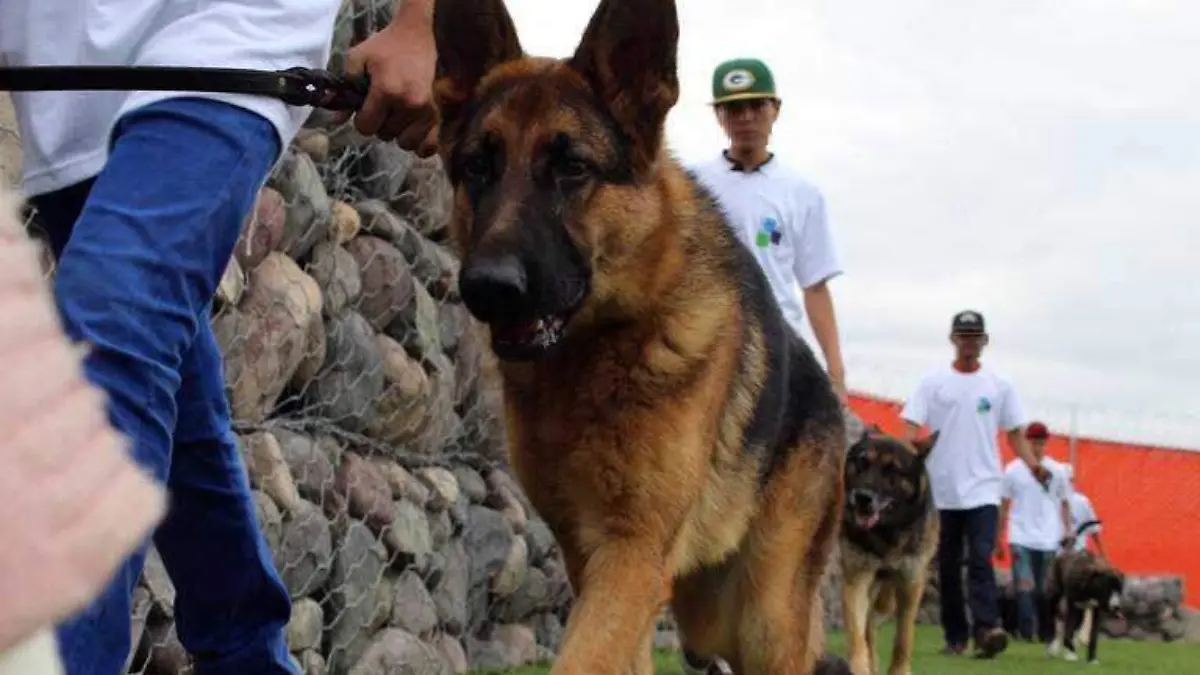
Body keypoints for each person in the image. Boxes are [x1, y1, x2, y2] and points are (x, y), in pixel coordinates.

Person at [0, 0, 436, 672]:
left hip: (233, 28)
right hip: (61, 70)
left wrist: (427, 23)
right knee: (174, 415)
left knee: (105, 335)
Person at [689, 58, 850, 405]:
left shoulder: (801, 193)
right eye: (733, 109)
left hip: (777, 343)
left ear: (775, 109)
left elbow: (815, 285)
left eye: (755, 106)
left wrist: (835, 372)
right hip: (709, 340)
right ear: (719, 115)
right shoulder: (693, 184)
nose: (745, 118)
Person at [900, 309, 1051, 660]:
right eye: (963, 336)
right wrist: (907, 452)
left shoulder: (999, 385)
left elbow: (1014, 432)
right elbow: (910, 425)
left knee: (980, 559)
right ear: (953, 339)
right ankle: (956, 636)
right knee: (948, 567)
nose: (969, 342)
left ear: (984, 341)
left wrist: (1033, 466)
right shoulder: (933, 382)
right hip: (942, 490)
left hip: (984, 488)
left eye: (975, 336)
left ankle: (987, 629)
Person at [998, 421, 1073, 643]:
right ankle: (1025, 632)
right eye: (1033, 443)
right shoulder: (1013, 470)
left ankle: (1045, 633)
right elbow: (1004, 504)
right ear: (1026, 443)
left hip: (1048, 538)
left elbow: (1065, 501)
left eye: (1041, 443)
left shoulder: (1057, 471)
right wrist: (999, 536)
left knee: (1044, 590)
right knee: (1024, 586)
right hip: (1020, 536)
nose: (1037, 448)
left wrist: (1067, 529)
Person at [1064, 465, 1108, 558]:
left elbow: (1094, 530)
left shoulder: (1082, 501)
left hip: (1077, 555)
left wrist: (1102, 553)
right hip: (1060, 556)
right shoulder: (1052, 501)